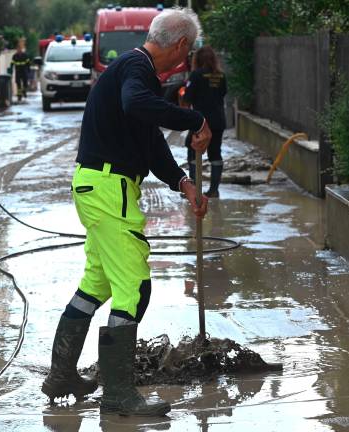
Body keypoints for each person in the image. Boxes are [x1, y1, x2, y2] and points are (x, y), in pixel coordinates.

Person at [41, 7, 212, 417]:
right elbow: (138, 106)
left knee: (95, 287)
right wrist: (194, 118)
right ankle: (118, 395)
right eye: (187, 54)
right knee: (135, 288)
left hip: (97, 186)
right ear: (182, 45)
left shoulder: (133, 72)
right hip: (108, 188)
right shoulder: (136, 68)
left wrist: (183, 183)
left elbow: (150, 141)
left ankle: (61, 375)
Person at [183, 46, 227, 198]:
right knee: (215, 153)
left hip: (200, 122)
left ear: (197, 60)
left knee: (193, 149)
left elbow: (186, 99)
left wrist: (185, 116)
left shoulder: (195, 75)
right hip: (219, 120)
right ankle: (214, 190)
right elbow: (222, 94)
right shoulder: (221, 76)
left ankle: (194, 189)